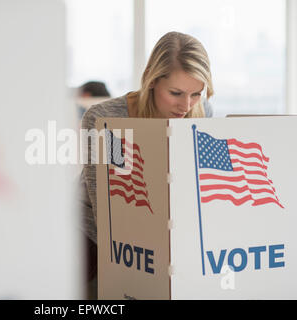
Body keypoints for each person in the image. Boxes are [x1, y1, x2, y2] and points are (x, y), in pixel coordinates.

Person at [78, 31, 214, 299]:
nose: (186, 106)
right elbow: (106, 211)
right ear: (152, 79)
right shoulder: (106, 118)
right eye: (175, 93)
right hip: (93, 228)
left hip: (160, 226)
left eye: (196, 94)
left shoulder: (202, 112)